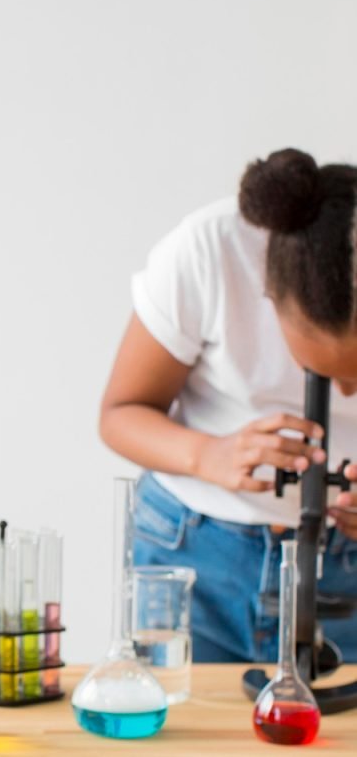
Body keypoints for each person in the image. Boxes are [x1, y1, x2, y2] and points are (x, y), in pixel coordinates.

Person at [101, 148, 357, 664]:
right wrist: (209, 454)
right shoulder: (211, 252)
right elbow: (120, 414)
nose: (348, 394)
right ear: (268, 296)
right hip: (197, 558)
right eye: (333, 373)